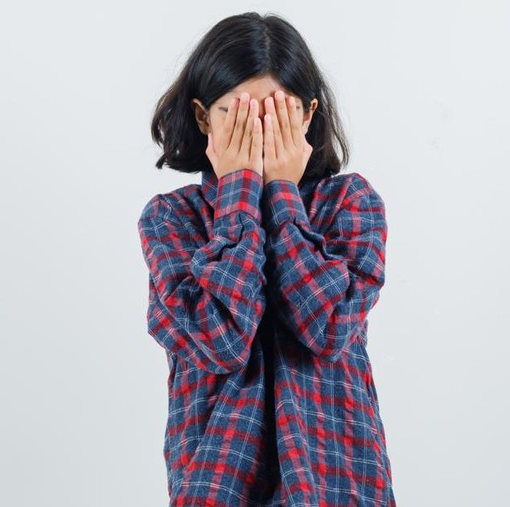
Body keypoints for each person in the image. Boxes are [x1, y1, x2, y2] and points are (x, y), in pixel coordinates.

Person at [138, 12, 395, 507]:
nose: (258, 131)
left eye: (277, 114)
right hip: (218, 483)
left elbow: (328, 327)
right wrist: (238, 194)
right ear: (202, 118)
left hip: (336, 486)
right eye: (238, 115)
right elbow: (220, 343)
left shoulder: (350, 203)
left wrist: (281, 192)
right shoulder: (171, 220)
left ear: (307, 116)